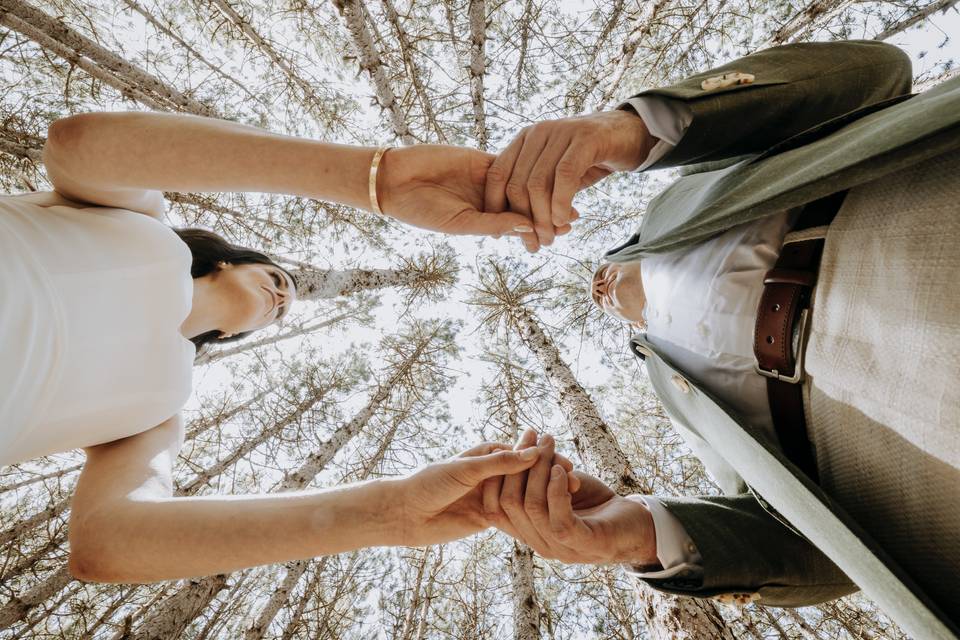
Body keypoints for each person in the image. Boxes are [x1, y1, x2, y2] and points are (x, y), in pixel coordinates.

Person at [480, 40, 960, 639]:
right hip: (913, 464)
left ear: (630, 251)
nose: (601, 289)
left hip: (911, 222)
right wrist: (634, 536)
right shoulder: (675, 391)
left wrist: (624, 131)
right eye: (597, 298)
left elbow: (877, 74)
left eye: (602, 272)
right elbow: (813, 547)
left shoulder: (684, 202)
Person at [1, 111, 576, 583]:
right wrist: (374, 178)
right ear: (224, 259)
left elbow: (107, 545)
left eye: (285, 299)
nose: (283, 294)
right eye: (274, 277)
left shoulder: (158, 409)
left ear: (228, 338)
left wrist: (388, 514)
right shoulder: (139, 222)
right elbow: (77, 144)